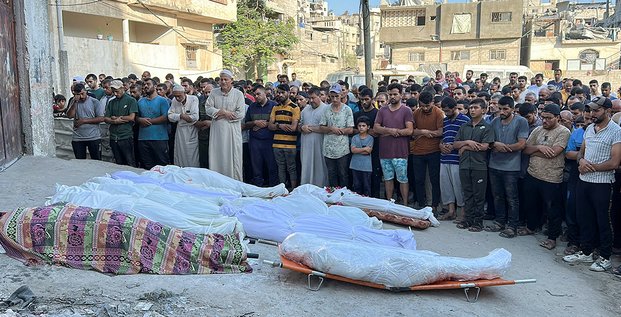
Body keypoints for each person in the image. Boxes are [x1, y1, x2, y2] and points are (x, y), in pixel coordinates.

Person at [564, 97, 621, 272]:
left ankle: (604, 257)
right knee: (584, 218)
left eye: (596, 110)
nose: (592, 114)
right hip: (584, 181)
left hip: (603, 184)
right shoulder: (589, 128)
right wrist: (581, 162)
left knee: (603, 221)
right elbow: (581, 153)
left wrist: (591, 167)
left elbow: (614, 163)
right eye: (591, 110)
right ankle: (586, 251)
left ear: (608, 111)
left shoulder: (616, 131)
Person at [521, 104, 570, 250]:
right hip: (533, 173)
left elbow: (554, 152)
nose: (545, 121)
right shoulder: (537, 129)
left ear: (557, 118)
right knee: (531, 204)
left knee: (552, 209)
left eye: (549, 118)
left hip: (551, 176)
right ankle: (531, 227)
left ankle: (552, 238)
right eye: (543, 118)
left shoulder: (563, 132)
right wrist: (539, 148)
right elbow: (525, 150)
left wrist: (534, 150)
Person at [487, 96, 529, 238]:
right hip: (494, 164)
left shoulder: (521, 121)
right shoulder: (494, 121)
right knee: (497, 196)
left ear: (512, 109)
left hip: (511, 167)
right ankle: (499, 222)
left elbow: (522, 144)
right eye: (500, 108)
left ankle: (512, 226)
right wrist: (495, 145)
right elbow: (488, 140)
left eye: (505, 109)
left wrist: (505, 148)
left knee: (512, 198)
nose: (502, 111)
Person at [453, 98, 495, 232]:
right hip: (464, 165)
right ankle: (467, 219)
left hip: (479, 166)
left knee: (479, 196)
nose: (472, 110)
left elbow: (484, 146)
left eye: (476, 108)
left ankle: (478, 222)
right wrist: (468, 142)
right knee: (467, 194)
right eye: (471, 108)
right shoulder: (464, 126)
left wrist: (465, 147)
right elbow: (455, 144)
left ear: (483, 110)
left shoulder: (487, 127)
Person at [373, 83, 414, 205]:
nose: (393, 97)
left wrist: (396, 132)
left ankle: (405, 204)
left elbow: (409, 130)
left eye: (395, 94)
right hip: (385, 152)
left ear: (401, 95)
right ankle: (389, 204)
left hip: (400, 152)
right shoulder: (382, 110)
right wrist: (389, 130)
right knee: (388, 179)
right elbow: (376, 128)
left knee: (403, 179)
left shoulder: (406, 111)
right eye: (390, 94)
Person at [204, 70, 246, 180]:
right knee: (217, 157)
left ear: (231, 80)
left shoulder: (238, 94)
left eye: (226, 79)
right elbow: (208, 108)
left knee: (232, 158)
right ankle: (217, 183)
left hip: (232, 130)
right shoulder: (214, 92)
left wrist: (225, 113)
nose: (223, 82)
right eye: (221, 79)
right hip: (217, 130)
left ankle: (234, 183)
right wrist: (220, 112)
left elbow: (241, 113)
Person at [438, 97, 470, 221]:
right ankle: (451, 211)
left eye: (448, 111)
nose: (446, 113)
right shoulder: (445, 121)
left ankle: (462, 212)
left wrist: (454, 146)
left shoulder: (465, 120)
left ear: (455, 108)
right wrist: (441, 146)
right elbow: (443, 137)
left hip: (457, 158)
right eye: (444, 111)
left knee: (458, 186)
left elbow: (467, 138)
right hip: (444, 157)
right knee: (446, 186)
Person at [411, 91, 443, 210]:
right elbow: (411, 131)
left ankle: (434, 205)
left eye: (427, 106)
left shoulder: (438, 113)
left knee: (434, 179)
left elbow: (441, 131)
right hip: (418, 151)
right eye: (422, 105)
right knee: (418, 179)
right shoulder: (416, 113)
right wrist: (423, 132)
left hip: (434, 151)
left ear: (432, 103)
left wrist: (427, 133)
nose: (424, 108)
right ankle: (421, 203)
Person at [319, 84, 354, 188]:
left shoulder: (347, 109)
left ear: (341, 95)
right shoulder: (326, 109)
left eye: (336, 96)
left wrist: (339, 130)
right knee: (331, 173)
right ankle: (333, 195)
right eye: (332, 96)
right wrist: (330, 128)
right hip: (328, 148)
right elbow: (321, 127)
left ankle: (344, 195)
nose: (334, 99)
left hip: (342, 148)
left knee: (343, 174)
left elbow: (350, 129)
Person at [244, 86, 278, 186]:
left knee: (272, 166)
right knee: (256, 166)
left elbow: (278, 122)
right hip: (255, 141)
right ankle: (258, 188)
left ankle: (273, 188)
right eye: (254, 95)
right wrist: (255, 122)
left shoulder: (274, 106)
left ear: (265, 94)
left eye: (258, 94)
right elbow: (246, 123)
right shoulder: (252, 106)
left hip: (269, 140)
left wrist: (266, 124)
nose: (256, 96)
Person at [268, 84, 300, 189]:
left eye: (282, 92)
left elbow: (293, 127)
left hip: (290, 145)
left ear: (288, 93)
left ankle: (293, 189)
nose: (280, 95)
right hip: (277, 144)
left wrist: (276, 126)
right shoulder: (275, 107)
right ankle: (282, 190)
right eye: (278, 92)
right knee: (280, 168)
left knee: (291, 168)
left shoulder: (295, 108)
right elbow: (270, 126)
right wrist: (279, 125)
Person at [103, 80, 139, 166]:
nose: (115, 94)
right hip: (113, 136)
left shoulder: (131, 100)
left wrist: (119, 118)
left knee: (130, 161)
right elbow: (106, 118)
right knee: (118, 163)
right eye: (114, 91)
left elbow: (131, 117)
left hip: (125, 136)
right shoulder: (111, 102)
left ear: (122, 88)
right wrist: (114, 121)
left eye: (117, 91)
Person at [299, 87, 329, 187]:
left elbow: (327, 128)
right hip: (306, 145)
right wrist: (302, 127)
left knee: (320, 167)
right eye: (309, 98)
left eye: (313, 98)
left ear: (320, 96)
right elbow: (299, 126)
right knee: (306, 166)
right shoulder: (305, 110)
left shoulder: (326, 109)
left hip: (320, 145)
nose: (311, 100)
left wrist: (310, 128)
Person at [354, 88, 382, 198]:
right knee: (359, 178)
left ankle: (375, 200)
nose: (364, 102)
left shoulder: (378, 114)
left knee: (375, 176)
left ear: (372, 99)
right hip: (359, 151)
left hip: (375, 149)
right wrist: (367, 131)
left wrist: (369, 132)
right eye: (361, 99)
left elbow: (378, 131)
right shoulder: (357, 114)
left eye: (366, 99)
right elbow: (353, 130)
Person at [66, 83, 105, 160]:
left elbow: (101, 118)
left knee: (96, 160)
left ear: (86, 91)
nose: (81, 96)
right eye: (78, 94)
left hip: (93, 137)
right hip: (78, 137)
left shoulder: (94, 101)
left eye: (82, 94)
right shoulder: (74, 101)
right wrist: (75, 103)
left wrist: (84, 121)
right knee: (80, 161)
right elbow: (70, 115)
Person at [168, 85, 200, 167]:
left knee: (192, 156)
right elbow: (170, 116)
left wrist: (182, 117)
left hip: (191, 130)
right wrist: (181, 116)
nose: (177, 98)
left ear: (184, 93)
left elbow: (194, 117)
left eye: (179, 96)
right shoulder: (174, 100)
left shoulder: (193, 99)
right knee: (180, 154)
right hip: (180, 131)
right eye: (175, 96)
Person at [350, 116, 374, 196]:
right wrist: (364, 149)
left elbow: (368, 151)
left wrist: (358, 150)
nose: (361, 128)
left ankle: (367, 205)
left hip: (366, 166)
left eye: (363, 126)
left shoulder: (370, 138)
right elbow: (353, 150)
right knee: (357, 187)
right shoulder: (354, 138)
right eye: (359, 126)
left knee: (367, 187)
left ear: (368, 127)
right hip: (355, 165)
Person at [196, 80, 213, 168]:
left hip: (216, 137)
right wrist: (205, 123)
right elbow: (194, 120)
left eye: (209, 92)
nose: (207, 95)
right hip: (203, 137)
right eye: (205, 92)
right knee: (204, 161)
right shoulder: (199, 102)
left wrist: (211, 123)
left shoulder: (220, 102)